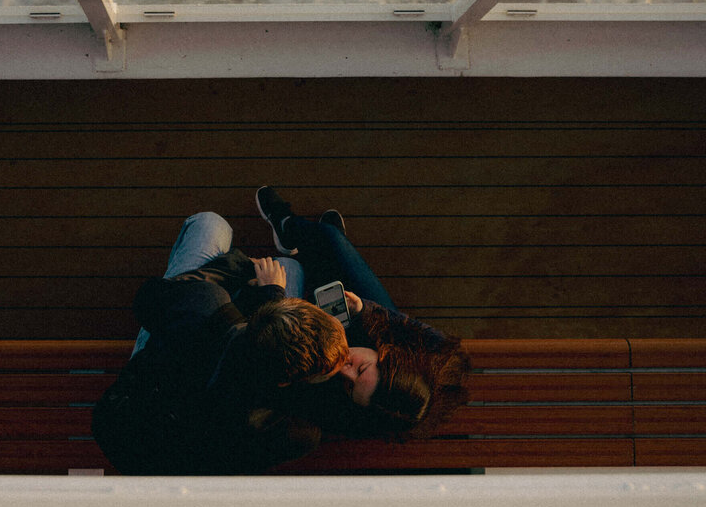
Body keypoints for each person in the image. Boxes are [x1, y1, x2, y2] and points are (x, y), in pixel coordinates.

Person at [92, 212, 353, 475]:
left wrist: (244, 270)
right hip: (164, 459)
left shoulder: (205, 303)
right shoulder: (292, 429)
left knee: (211, 224)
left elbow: (147, 301)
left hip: (130, 419)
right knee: (289, 269)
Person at [255, 186, 470, 440]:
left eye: (349, 385)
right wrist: (365, 311)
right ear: (388, 355)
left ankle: (320, 250)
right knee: (330, 240)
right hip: (370, 329)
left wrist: (274, 295)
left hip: (313, 345)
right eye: (360, 369)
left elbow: (274, 366)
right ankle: (290, 228)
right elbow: (429, 337)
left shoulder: (339, 409)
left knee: (300, 265)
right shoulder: (425, 358)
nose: (345, 369)